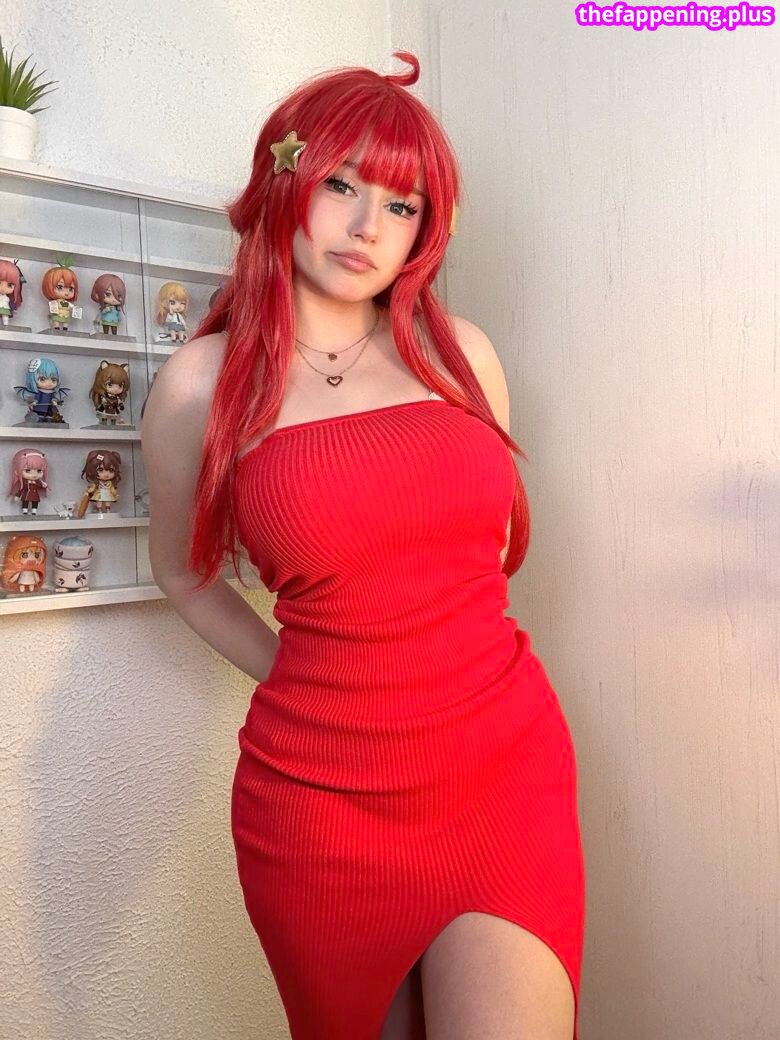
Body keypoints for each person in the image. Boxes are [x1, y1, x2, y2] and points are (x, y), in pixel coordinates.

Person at [140, 50, 585, 1040]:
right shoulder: (200, 385)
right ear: (285, 179)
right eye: (342, 184)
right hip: (320, 802)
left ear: (427, 229)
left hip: (502, 767)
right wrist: (301, 673)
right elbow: (183, 571)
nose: (367, 225)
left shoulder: (461, 354)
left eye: (401, 204)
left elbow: (484, 554)